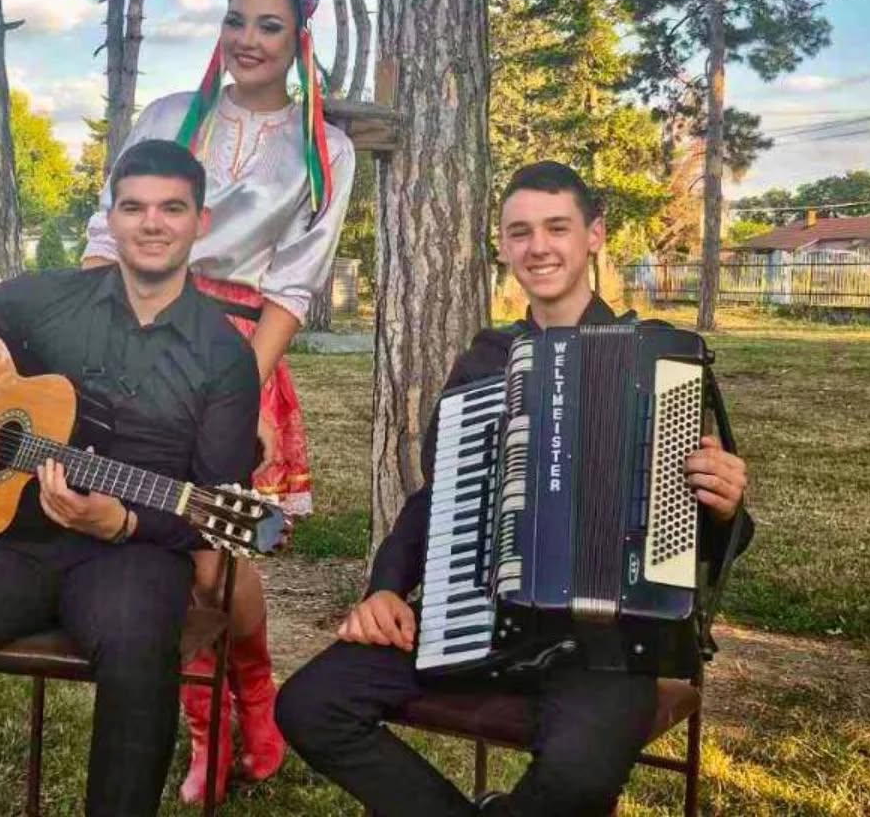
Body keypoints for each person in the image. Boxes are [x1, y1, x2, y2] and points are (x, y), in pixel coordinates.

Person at [275, 161, 754, 817]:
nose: (538, 247)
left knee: (579, 780)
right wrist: (384, 587)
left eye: (557, 227)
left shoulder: (658, 363)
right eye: (520, 231)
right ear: (502, 244)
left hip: (607, 645)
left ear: (594, 235)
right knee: (309, 704)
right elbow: (435, 498)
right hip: (478, 617)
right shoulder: (486, 359)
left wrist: (724, 505)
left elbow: (713, 530)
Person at [0, 140, 261, 817]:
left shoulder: (224, 356)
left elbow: (213, 508)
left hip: (132, 556)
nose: (152, 223)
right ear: (111, 218)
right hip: (8, 539)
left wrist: (124, 521)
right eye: (133, 207)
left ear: (201, 221)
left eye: (172, 208)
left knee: (139, 659)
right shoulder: (48, 297)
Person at [82, 0, 357, 803]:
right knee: (158, 542)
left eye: (269, 26)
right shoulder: (169, 115)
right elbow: (103, 239)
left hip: (239, 350)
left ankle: (255, 707)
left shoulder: (325, 150)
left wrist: (236, 392)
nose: (247, 39)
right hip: (137, 341)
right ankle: (209, 729)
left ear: (299, 36)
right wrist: (100, 355)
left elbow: (294, 285)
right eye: (236, 21)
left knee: (217, 556)